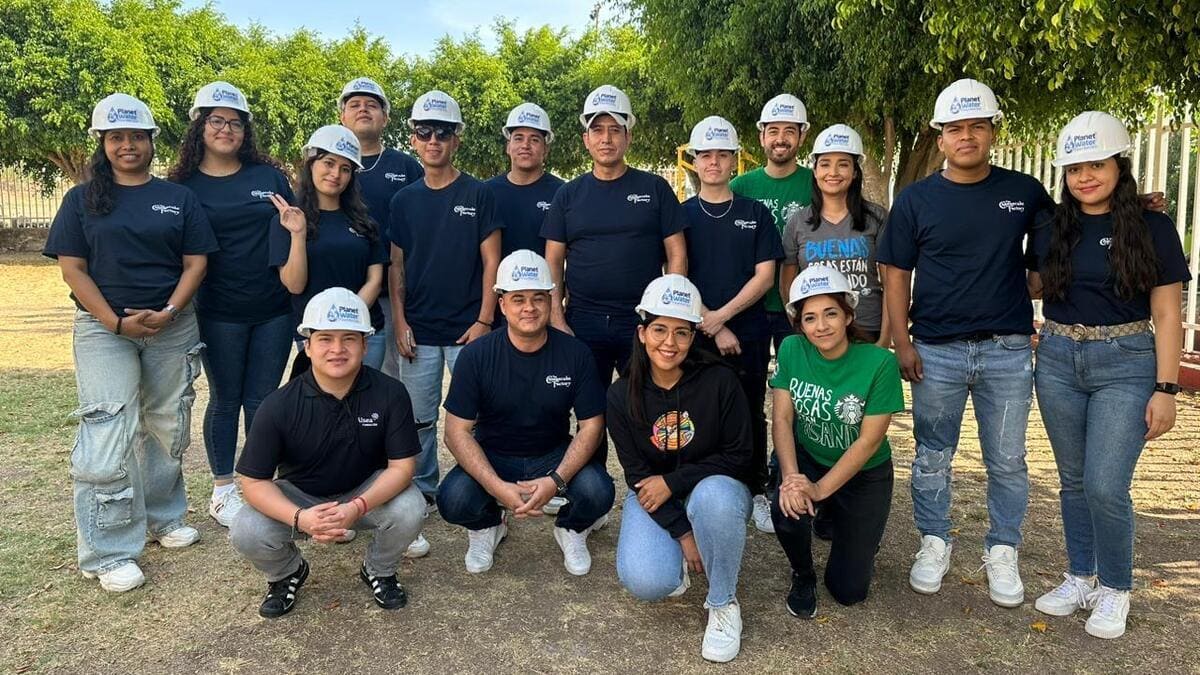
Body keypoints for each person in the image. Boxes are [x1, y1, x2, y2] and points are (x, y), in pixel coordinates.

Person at [877, 78, 1054, 608]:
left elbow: (1069, 232)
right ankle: (935, 541)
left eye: (978, 125)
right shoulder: (915, 200)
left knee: (1007, 460)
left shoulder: (1023, 192)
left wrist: (1136, 206)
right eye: (956, 128)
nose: (967, 136)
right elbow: (896, 273)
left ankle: (1003, 548)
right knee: (933, 455)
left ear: (994, 131)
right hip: (936, 350)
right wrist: (901, 342)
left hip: (1007, 349)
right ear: (941, 137)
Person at [44, 93, 218, 592]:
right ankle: (109, 550)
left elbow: (196, 263)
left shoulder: (178, 197)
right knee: (108, 427)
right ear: (103, 143)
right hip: (104, 331)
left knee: (167, 422)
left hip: (171, 327)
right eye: (117, 137)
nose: (127, 145)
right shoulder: (81, 199)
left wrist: (167, 313)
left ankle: (164, 518)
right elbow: (72, 268)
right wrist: (117, 324)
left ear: (150, 142)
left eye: (136, 136)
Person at [1028, 112, 1188, 639]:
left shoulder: (1153, 227)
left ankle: (1116, 588)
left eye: (1096, 164)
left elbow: (1167, 313)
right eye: (1075, 169)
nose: (1085, 177)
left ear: (1120, 164)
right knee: (1072, 481)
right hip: (1055, 360)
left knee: (1104, 483)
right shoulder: (1052, 224)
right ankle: (1081, 576)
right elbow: (1030, 282)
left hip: (1126, 363)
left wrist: (1166, 388)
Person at [230, 288, 426, 618]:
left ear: (365, 344)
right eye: (325, 339)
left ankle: (379, 569)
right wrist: (301, 518)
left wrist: (356, 507)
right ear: (307, 345)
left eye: (349, 338)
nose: (337, 349)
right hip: (302, 498)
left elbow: (403, 467)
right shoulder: (278, 405)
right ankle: (286, 573)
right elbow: (253, 482)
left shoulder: (390, 393)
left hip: (364, 495)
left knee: (411, 506)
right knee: (246, 528)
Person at [437, 250, 615, 575]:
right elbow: (455, 432)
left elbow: (591, 426)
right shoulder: (476, 356)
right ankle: (489, 524)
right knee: (453, 500)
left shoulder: (576, 354)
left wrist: (555, 481)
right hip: (494, 454)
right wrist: (496, 487)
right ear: (502, 304)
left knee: (599, 492)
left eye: (538, 298)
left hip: (551, 453)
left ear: (552, 300)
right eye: (518, 299)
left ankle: (571, 528)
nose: (529, 308)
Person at [609, 275, 755, 664]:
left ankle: (723, 603)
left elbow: (741, 455)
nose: (669, 343)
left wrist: (675, 481)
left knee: (714, 497)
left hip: (714, 488)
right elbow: (637, 473)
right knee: (648, 582)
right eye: (659, 329)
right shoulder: (621, 395)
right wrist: (683, 533)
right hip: (654, 493)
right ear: (642, 333)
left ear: (694, 338)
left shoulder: (720, 381)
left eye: (681, 332)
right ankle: (679, 560)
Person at [169, 81, 295, 528]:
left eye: (235, 123)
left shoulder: (269, 178)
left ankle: (258, 483)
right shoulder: (182, 186)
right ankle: (223, 489)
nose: (226, 129)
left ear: (246, 131)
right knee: (225, 399)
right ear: (199, 127)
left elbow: (294, 232)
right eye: (216, 121)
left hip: (274, 310)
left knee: (262, 400)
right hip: (217, 311)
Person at [387, 89, 503, 522]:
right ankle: (422, 491)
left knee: (481, 419)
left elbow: (492, 261)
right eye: (424, 132)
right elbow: (396, 266)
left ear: (457, 139)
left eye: (443, 132)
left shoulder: (479, 194)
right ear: (413, 139)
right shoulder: (403, 201)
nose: (433, 140)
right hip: (418, 329)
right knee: (418, 421)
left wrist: (485, 320)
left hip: (468, 330)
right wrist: (399, 322)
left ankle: (487, 490)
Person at [541, 85, 688, 414]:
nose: (606, 138)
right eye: (597, 130)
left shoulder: (655, 188)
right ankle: (592, 469)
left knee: (647, 407)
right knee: (589, 411)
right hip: (583, 321)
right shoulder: (568, 195)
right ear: (586, 139)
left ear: (628, 137)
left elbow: (677, 254)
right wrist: (556, 317)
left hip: (640, 319)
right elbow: (553, 261)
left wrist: (665, 314)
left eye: (614, 130)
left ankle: (647, 469)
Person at [770, 266, 903, 619]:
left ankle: (835, 514)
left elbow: (867, 443)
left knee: (848, 592)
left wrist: (818, 489)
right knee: (786, 504)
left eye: (831, 313)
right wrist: (792, 478)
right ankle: (802, 574)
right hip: (809, 456)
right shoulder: (791, 349)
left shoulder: (879, 363)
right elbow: (782, 419)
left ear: (848, 314)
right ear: (800, 323)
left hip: (864, 473)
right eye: (810, 317)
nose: (821, 326)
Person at [681, 116, 783, 534]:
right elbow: (676, 271)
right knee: (693, 411)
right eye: (706, 155)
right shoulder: (681, 214)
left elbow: (765, 276)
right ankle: (694, 487)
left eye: (723, 155)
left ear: (734, 161)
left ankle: (755, 489)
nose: (714, 162)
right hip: (694, 334)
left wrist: (723, 318)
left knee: (748, 412)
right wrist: (710, 322)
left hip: (749, 334)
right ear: (695, 161)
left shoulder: (755, 213)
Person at [728, 92, 812, 533]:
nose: (781, 139)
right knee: (753, 399)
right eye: (773, 131)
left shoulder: (816, 182)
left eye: (789, 131)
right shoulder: (742, 186)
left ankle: (795, 482)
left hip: (804, 314)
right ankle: (758, 486)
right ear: (761, 136)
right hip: (757, 312)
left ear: (802, 136)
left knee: (803, 400)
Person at [268, 124, 389, 375]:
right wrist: (299, 234)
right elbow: (294, 285)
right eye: (329, 163)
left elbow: (375, 280)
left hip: (366, 333)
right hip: (317, 337)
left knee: (363, 407)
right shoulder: (288, 220)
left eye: (345, 169)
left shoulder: (364, 221)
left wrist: (348, 316)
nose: (336, 174)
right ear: (311, 163)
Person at [337, 77, 425, 381]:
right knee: (344, 375)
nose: (364, 110)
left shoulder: (406, 167)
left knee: (394, 375)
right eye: (355, 105)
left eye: (372, 105)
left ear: (385, 118)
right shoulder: (328, 164)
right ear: (342, 116)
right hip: (341, 290)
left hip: (394, 295)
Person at [781, 124, 890, 346]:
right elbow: (787, 286)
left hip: (868, 328)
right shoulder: (798, 223)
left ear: (855, 171)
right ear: (815, 170)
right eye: (825, 164)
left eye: (843, 164)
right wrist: (802, 327)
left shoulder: (876, 218)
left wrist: (886, 338)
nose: (833, 173)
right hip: (817, 334)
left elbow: (892, 284)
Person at [486, 102, 564, 257]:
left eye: (534, 140)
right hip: (498, 281)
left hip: (546, 280)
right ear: (508, 147)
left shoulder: (561, 193)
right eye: (518, 138)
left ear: (546, 149)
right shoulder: (487, 192)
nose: (525, 145)